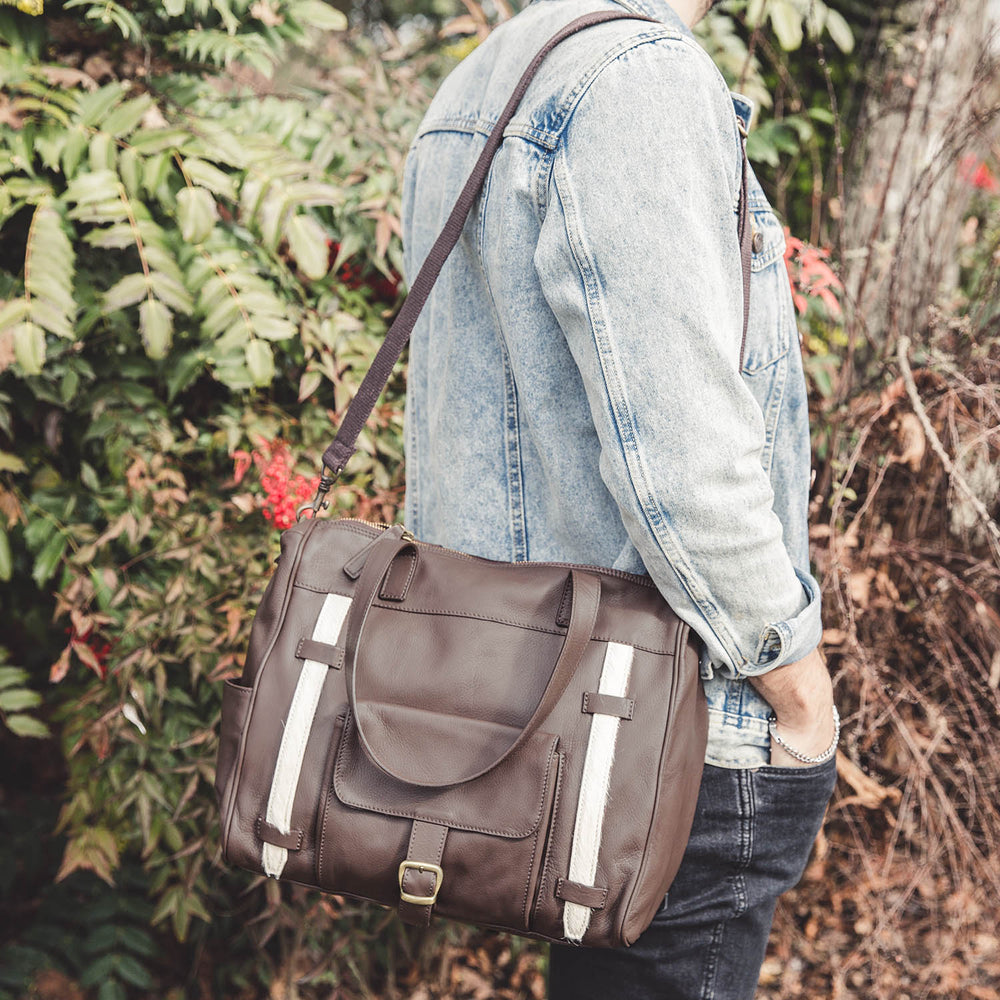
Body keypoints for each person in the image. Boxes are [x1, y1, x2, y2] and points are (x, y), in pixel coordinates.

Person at [399, 0, 838, 996]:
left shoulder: (480, 83)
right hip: (662, 728)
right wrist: (797, 686)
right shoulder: (638, 79)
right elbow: (680, 449)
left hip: (529, 715)